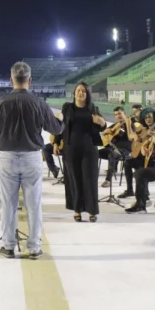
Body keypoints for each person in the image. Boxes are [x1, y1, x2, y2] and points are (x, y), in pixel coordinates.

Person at [0, 61, 62, 259]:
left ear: (11, 80)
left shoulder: (0, 103)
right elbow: (56, 128)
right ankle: (34, 246)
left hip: (8, 156)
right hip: (32, 156)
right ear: (30, 81)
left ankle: (9, 245)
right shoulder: (39, 103)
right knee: (34, 204)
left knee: (8, 203)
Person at [54, 82, 107, 222]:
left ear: (87, 94)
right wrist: (56, 143)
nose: (81, 93)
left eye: (83, 91)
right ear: (74, 93)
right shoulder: (67, 108)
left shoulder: (93, 109)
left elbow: (102, 127)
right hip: (71, 148)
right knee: (74, 180)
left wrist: (101, 122)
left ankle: (91, 210)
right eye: (78, 90)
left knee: (90, 180)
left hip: (89, 149)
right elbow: (61, 126)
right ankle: (77, 209)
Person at [118, 107, 155, 199]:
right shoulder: (142, 128)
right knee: (127, 163)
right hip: (140, 155)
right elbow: (130, 137)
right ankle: (130, 190)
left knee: (141, 166)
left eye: (150, 117)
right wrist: (133, 134)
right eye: (146, 117)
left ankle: (145, 192)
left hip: (151, 158)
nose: (148, 119)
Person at [99, 106, 131, 187]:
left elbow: (131, 137)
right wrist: (109, 131)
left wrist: (127, 125)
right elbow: (103, 133)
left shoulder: (129, 124)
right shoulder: (115, 125)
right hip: (111, 148)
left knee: (112, 154)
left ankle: (108, 180)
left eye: (120, 113)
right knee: (93, 152)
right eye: (116, 114)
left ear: (125, 114)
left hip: (124, 151)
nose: (118, 116)